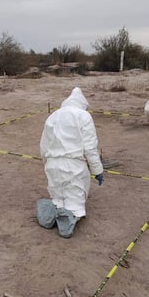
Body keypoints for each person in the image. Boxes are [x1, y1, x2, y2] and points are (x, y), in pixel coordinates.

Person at [38, 87, 104, 238]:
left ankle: (51, 215)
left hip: (52, 163)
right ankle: (66, 225)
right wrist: (97, 170)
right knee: (74, 200)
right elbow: (90, 147)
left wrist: (46, 162)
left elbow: (44, 144)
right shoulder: (83, 116)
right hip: (74, 165)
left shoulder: (53, 116)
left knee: (58, 196)